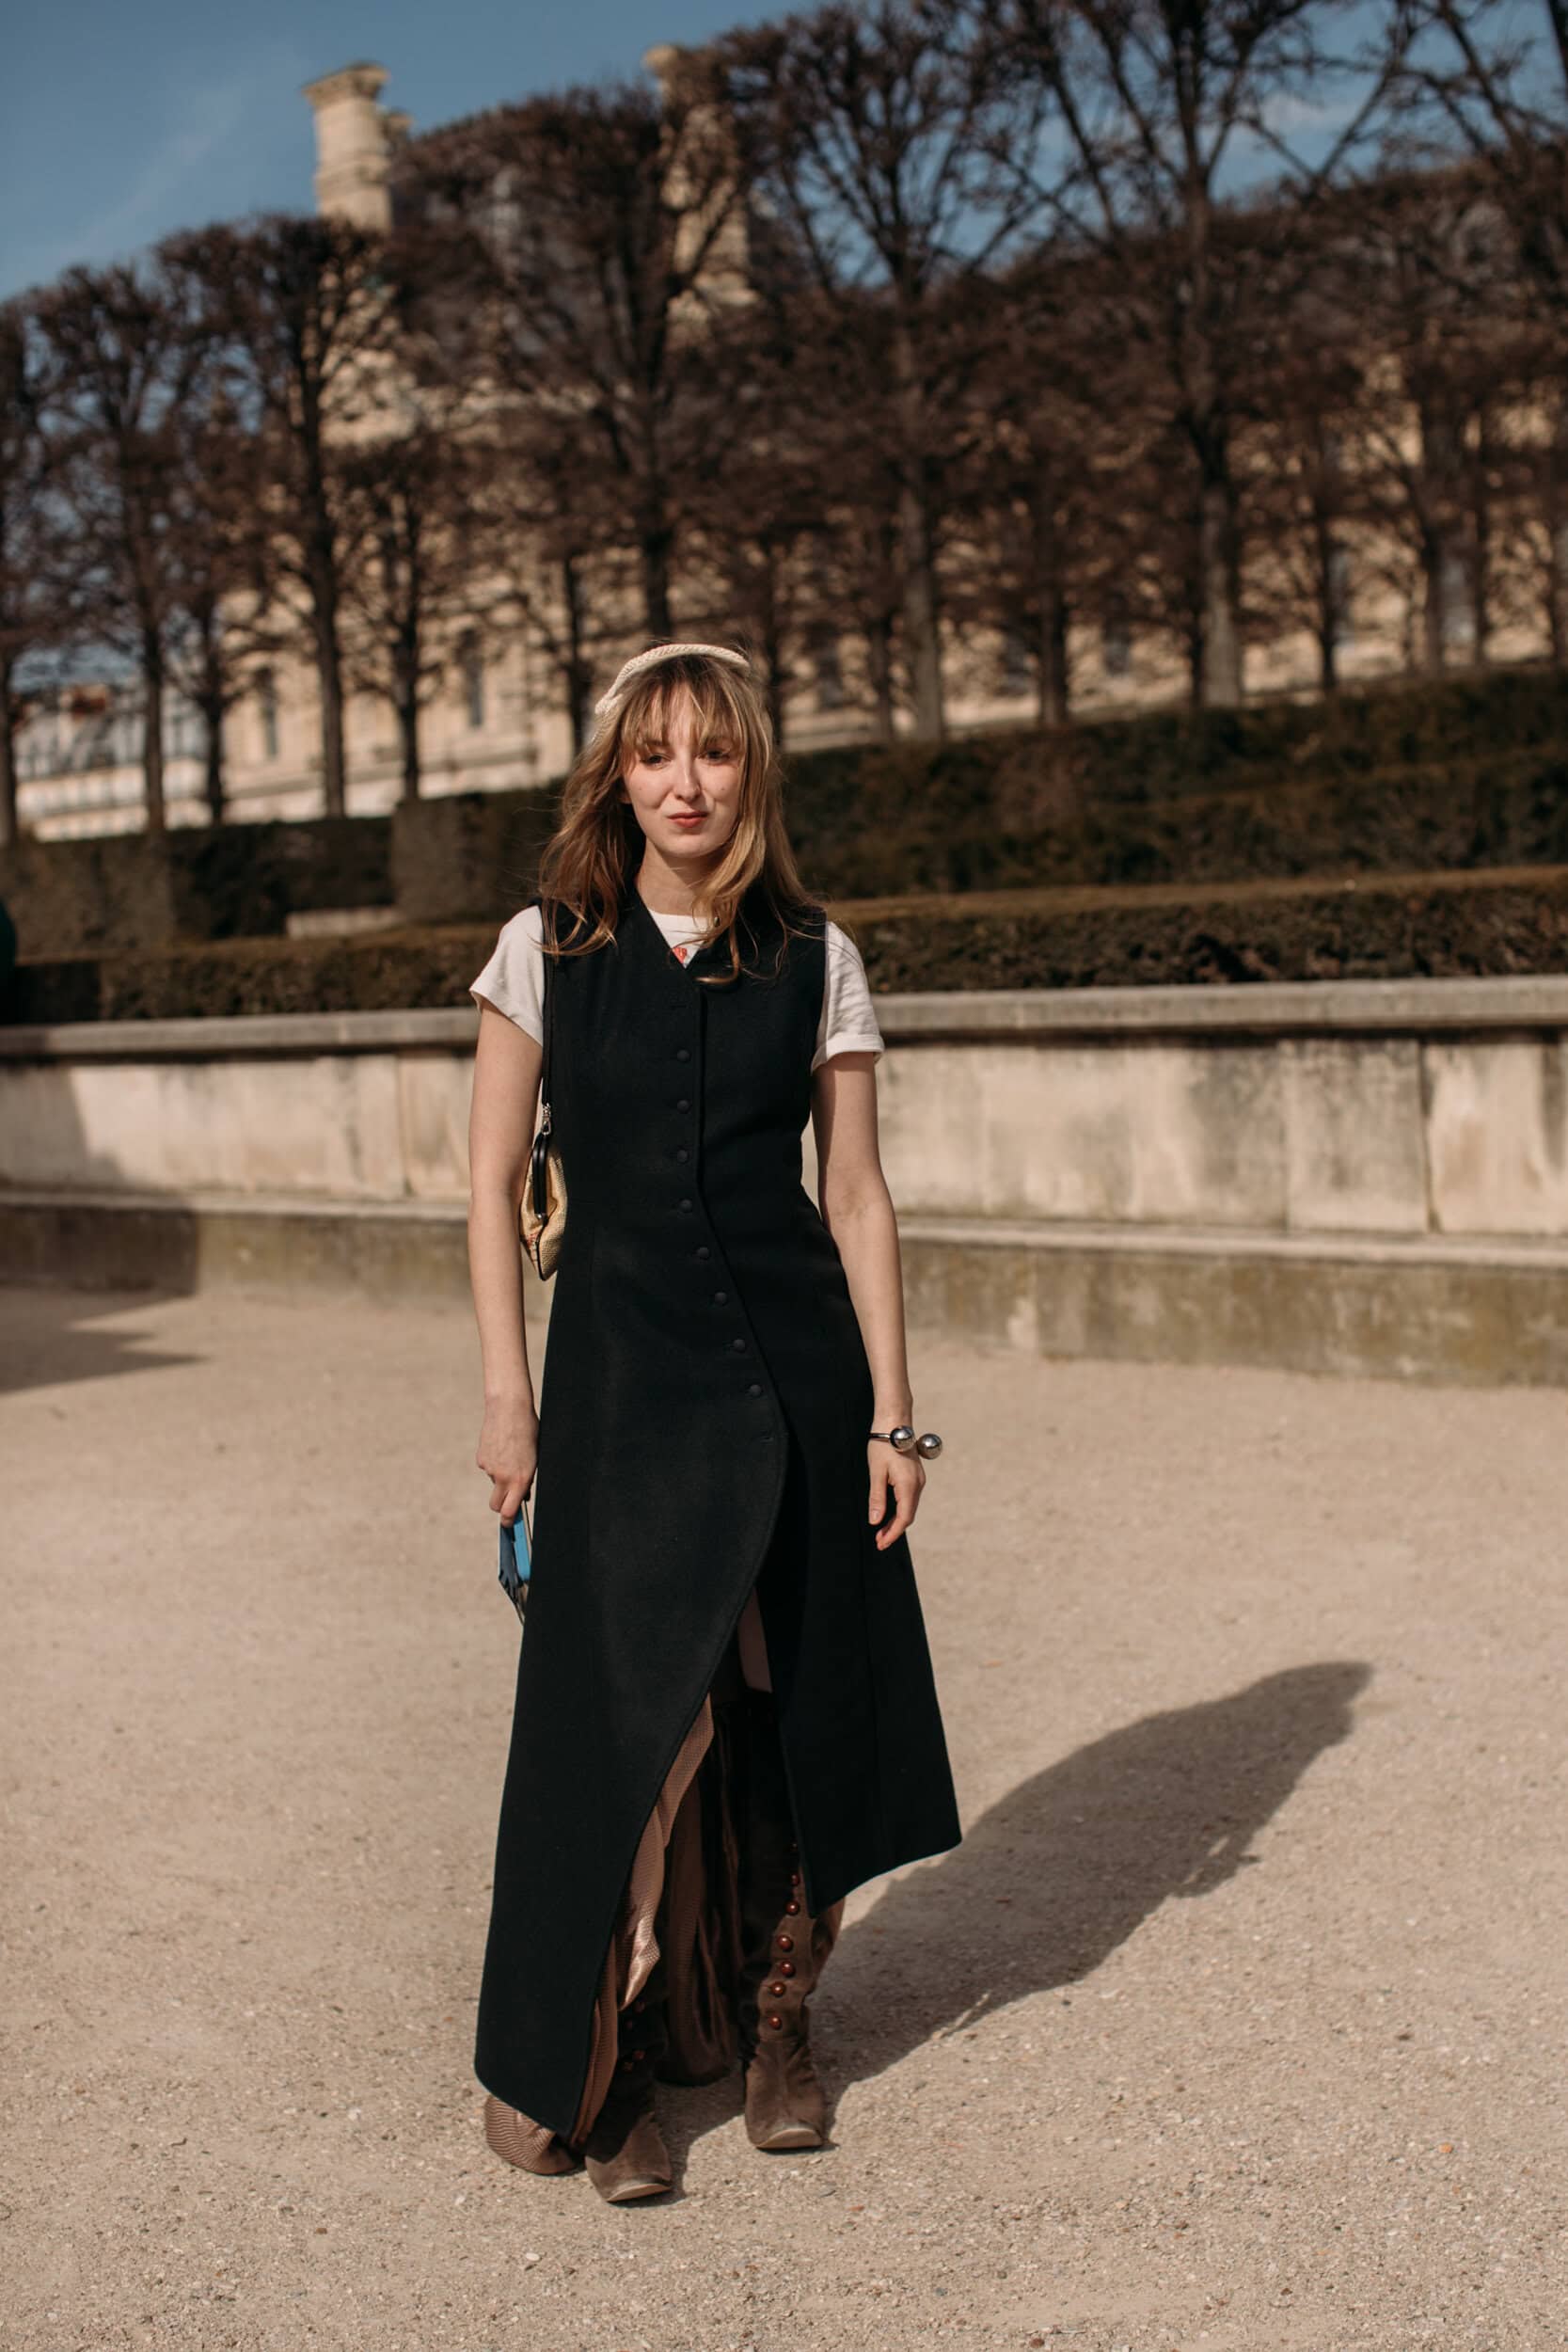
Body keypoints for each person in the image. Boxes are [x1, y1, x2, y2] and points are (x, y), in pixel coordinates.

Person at [465, 641, 961, 2202]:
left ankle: (771, 2019)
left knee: (788, 1694)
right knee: (631, 1719)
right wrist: (508, 1397)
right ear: (616, 775)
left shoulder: (818, 954)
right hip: (619, 1390)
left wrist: (895, 1417)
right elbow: (486, 1187)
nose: (686, 784)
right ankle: (604, 2055)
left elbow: (857, 1194)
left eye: (716, 753)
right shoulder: (543, 948)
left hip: (797, 1380)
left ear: (754, 769)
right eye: (655, 754)